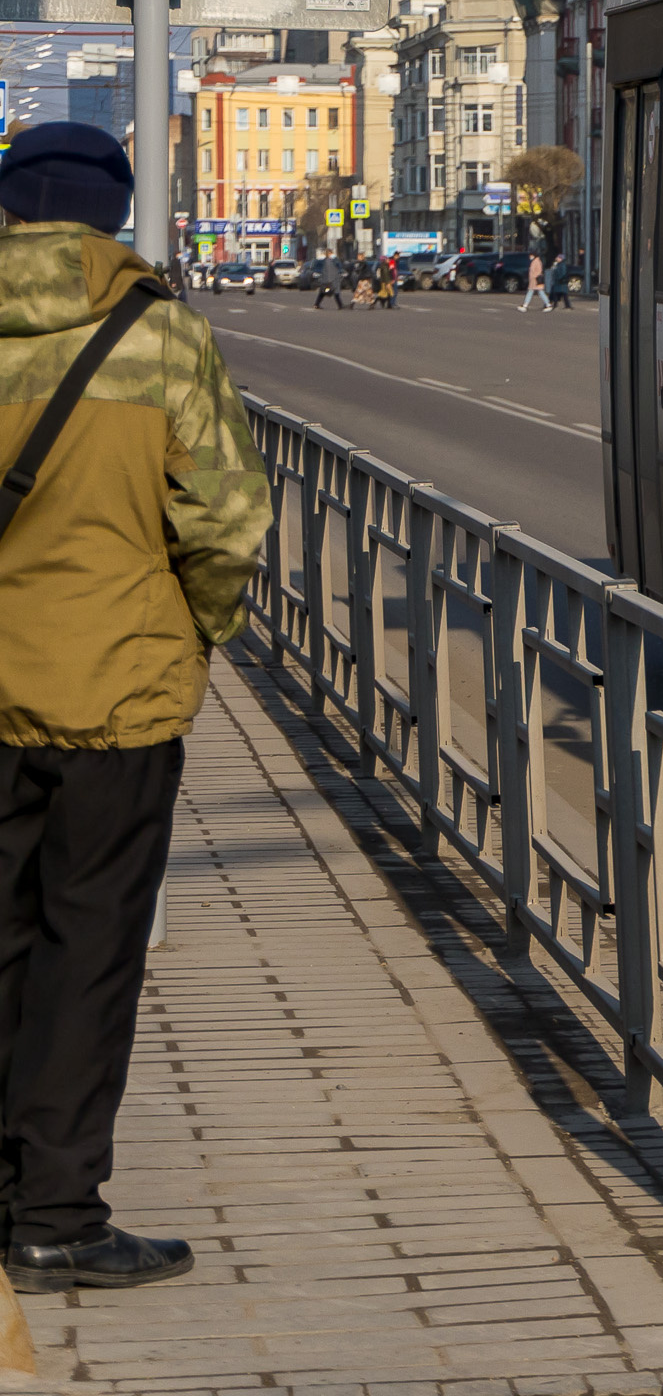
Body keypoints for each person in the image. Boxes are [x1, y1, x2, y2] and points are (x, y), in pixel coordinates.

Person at [0, 123, 269, 1294]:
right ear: (110, 215)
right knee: (89, 951)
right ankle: (55, 1216)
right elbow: (224, 518)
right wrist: (196, 631)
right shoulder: (161, 340)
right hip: (116, 695)